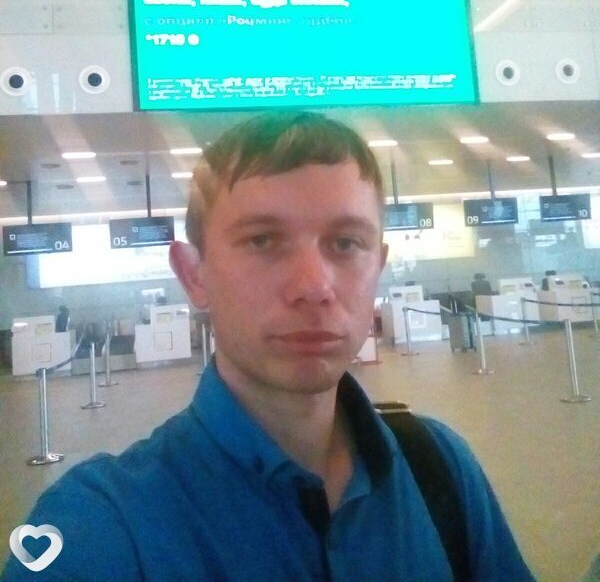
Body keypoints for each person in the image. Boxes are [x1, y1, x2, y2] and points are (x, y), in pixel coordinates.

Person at [2, 111, 536, 581]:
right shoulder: (103, 528)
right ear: (194, 275)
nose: (314, 286)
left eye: (345, 243)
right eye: (263, 240)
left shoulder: (438, 467)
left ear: (378, 265)